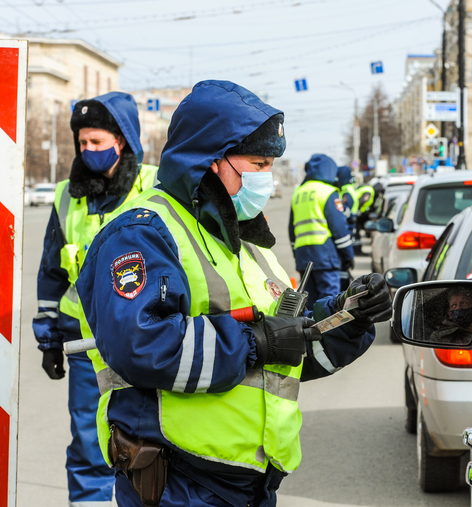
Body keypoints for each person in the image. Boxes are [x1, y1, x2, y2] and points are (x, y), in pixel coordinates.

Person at [74, 80, 392, 507]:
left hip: (251, 483)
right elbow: (142, 345)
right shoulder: (144, 233)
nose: (268, 179)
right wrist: (256, 342)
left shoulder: (250, 245)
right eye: (258, 164)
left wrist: (348, 316)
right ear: (208, 161)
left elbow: (289, 352)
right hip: (178, 482)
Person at [33, 91, 158, 506]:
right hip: (85, 346)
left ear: (121, 141)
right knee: (89, 443)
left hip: (149, 338)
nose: (87, 151)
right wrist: (49, 334)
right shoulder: (68, 195)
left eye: (97, 143)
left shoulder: (155, 186)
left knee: (150, 441)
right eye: (82, 143)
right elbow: (52, 270)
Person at [289, 154, 354, 310]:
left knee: (309, 301)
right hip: (325, 256)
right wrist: (348, 255)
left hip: (303, 256)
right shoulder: (328, 191)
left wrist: (296, 254)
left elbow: (292, 230)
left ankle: (311, 333)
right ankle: (327, 334)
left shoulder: (298, 193)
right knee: (329, 301)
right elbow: (339, 228)